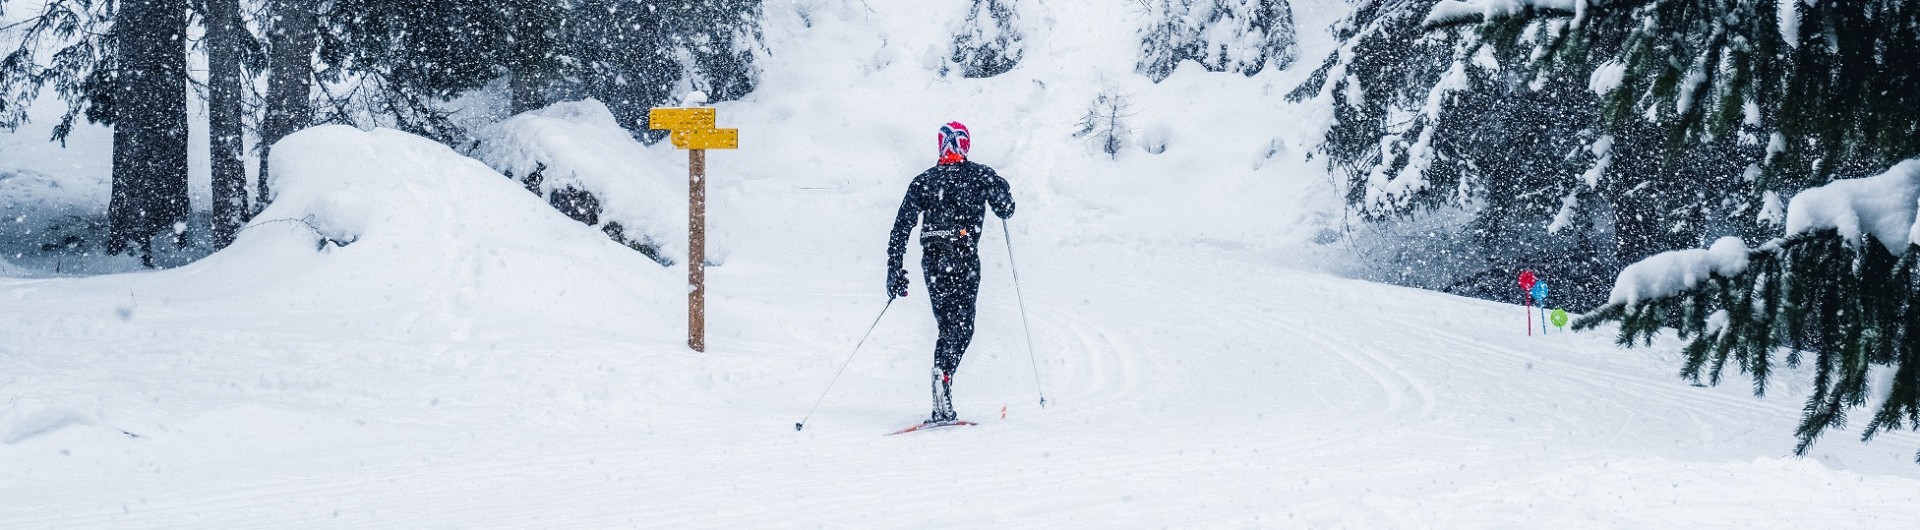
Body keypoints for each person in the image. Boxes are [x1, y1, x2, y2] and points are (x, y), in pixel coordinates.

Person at [886, 121, 1016, 424]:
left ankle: (940, 388)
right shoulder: (980, 175)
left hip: (933, 259)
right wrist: (999, 190)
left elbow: (901, 227)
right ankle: (944, 376)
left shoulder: (924, 181)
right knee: (963, 327)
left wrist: (894, 268)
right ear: (966, 145)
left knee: (948, 326)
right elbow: (1006, 208)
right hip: (963, 256)